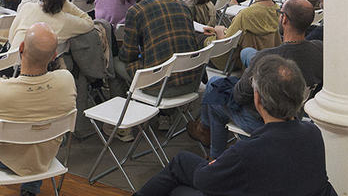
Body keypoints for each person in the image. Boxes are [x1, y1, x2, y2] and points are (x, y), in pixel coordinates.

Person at [136, 55, 337, 196]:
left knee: (179, 177)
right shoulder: (312, 133)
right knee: (182, 165)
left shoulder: (247, 151)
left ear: (257, 99)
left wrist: (217, 166)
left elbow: (204, 181)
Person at [189, 0, 322, 158]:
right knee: (247, 53)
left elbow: (239, 95)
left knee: (214, 90)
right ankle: (204, 130)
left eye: (280, 13)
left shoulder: (268, 59)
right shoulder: (319, 49)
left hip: (261, 119)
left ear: (284, 19)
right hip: (295, 112)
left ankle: (215, 155)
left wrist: (250, 74)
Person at [0, 23, 76, 196]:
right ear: (54, 55)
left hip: (2, 158)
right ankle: (30, 190)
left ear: (21, 48)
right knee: (39, 133)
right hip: (45, 154)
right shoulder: (67, 80)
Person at [115, 0, 201, 96]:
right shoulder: (182, 4)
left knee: (115, 63)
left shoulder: (136, 11)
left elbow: (128, 55)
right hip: (192, 81)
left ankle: (123, 104)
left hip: (159, 86)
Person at [205, 0, 282, 65]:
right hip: (264, 59)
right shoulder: (276, 9)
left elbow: (225, 45)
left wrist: (219, 31)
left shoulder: (246, 15)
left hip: (235, 62)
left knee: (202, 39)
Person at [8, 0, 94, 47]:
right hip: (41, 61)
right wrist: (65, 3)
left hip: (10, 58)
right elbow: (89, 22)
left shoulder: (27, 7)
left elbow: (11, 37)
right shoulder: (66, 21)